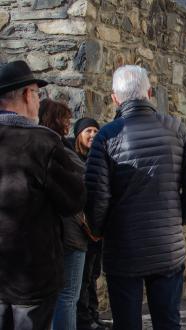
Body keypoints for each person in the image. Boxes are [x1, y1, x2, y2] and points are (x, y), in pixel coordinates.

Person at [84, 65, 186, 330]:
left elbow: (98, 196)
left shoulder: (107, 136)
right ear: (150, 93)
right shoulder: (177, 129)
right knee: (167, 322)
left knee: (126, 323)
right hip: (166, 246)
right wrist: (177, 220)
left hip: (123, 247)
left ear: (115, 98)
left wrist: (97, 230)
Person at [0, 60, 86, 329]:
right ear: (27, 94)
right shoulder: (42, 142)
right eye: (37, 94)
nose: (38, 101)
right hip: (31, 274)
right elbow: (74, 200)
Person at [38, 99, 89, 330]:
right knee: (67, 296)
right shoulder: (57, 148)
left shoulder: (39, 144)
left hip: (47, 233)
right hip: (68, 232)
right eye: (65, 118)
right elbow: (83, 179)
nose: (69, 122)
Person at [70, 117, 107, 330]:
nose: (92, 135)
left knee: (93, 274)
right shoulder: (74, 159)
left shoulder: (97, 157)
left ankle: (93, 315)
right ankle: (83, 320)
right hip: (80, 229)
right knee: (82, 278)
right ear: (79, 134)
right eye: (88, 131)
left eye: (95, 131)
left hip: (96, 228)